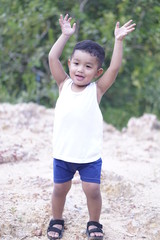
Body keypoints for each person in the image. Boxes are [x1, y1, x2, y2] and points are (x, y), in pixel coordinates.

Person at [47, 14, 136, 240]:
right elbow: (51, 57)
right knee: (60, 190)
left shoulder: (96, 90)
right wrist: (65, 35)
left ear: (97, 73)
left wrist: (118, 40)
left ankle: (94, 223)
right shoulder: (63, 84)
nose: (80, 69)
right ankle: (56, 219)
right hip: (63, 154)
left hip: (88, 156)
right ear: (70, 63)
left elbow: (114, 69)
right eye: (76, 63)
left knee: (92, 191)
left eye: (88, 67)